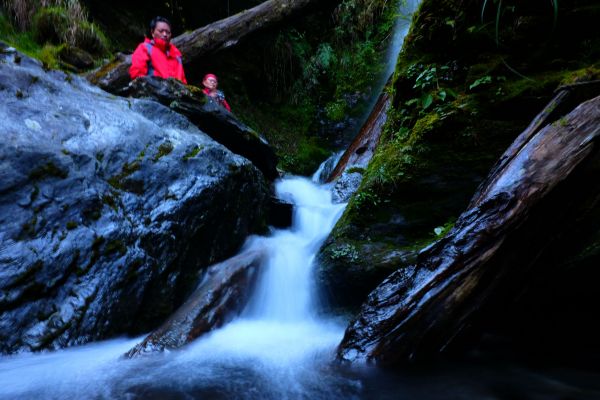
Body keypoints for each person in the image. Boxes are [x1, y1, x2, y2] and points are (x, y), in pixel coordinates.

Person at [129, 16, 187, 84]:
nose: (165, 34)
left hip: (175, 93)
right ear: (152, 32)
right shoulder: (144, 48)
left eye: (168, 32)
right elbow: (137, 75)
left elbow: (183, 81)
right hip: (152, 92)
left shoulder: (176, 54)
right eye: (161, 31)